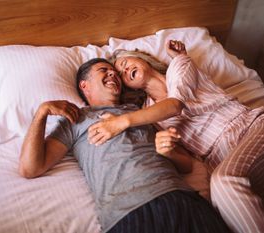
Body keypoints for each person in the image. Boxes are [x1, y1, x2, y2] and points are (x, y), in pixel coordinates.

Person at [87, 40, 264, 233]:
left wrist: (122, 121)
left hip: (256, 130)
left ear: (141, 58)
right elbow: (185, 163)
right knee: (217, 220)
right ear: (128, 87)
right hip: (229, 163)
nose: (124, 69)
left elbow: (175, 105)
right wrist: (168, 151)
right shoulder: (149, 115)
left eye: (125, 62)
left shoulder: (179, 67)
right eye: (121, 74)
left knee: (224, 182)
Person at [18, 58, 229, 233]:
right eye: (104, 71)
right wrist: (42, 112)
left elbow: (187, 165)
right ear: (84, 85)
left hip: (182, 199)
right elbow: (30, 168)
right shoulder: (76, 119)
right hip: (129, 213)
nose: (113, 75)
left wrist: (170, 151)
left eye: (116, 73)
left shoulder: (141, 112)